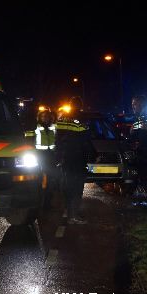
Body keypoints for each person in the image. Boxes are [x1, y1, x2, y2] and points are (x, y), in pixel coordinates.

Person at [55, 96, 95, 225]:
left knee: (67, 185)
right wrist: (93, 155)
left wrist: (58, 156)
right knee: (77, 187)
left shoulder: (61, 119)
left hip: (65, 157)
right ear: (80, 106)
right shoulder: (82, 120)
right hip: (77, 158)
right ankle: (74, 215)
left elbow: (57, 139)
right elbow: (86, 141)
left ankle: (67, 210)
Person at [26, 109, 58, 206]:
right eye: (43, 116)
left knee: (50, 179)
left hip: (51, 156)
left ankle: (47, 200)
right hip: (38, 156)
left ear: (50, 117)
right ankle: (37, 200)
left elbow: (58, 140)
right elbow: (28, 140)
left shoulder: (54, 127)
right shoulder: (35, 127)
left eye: (47, 116)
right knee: (37, 178)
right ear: (39, 117)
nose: (45, 118)